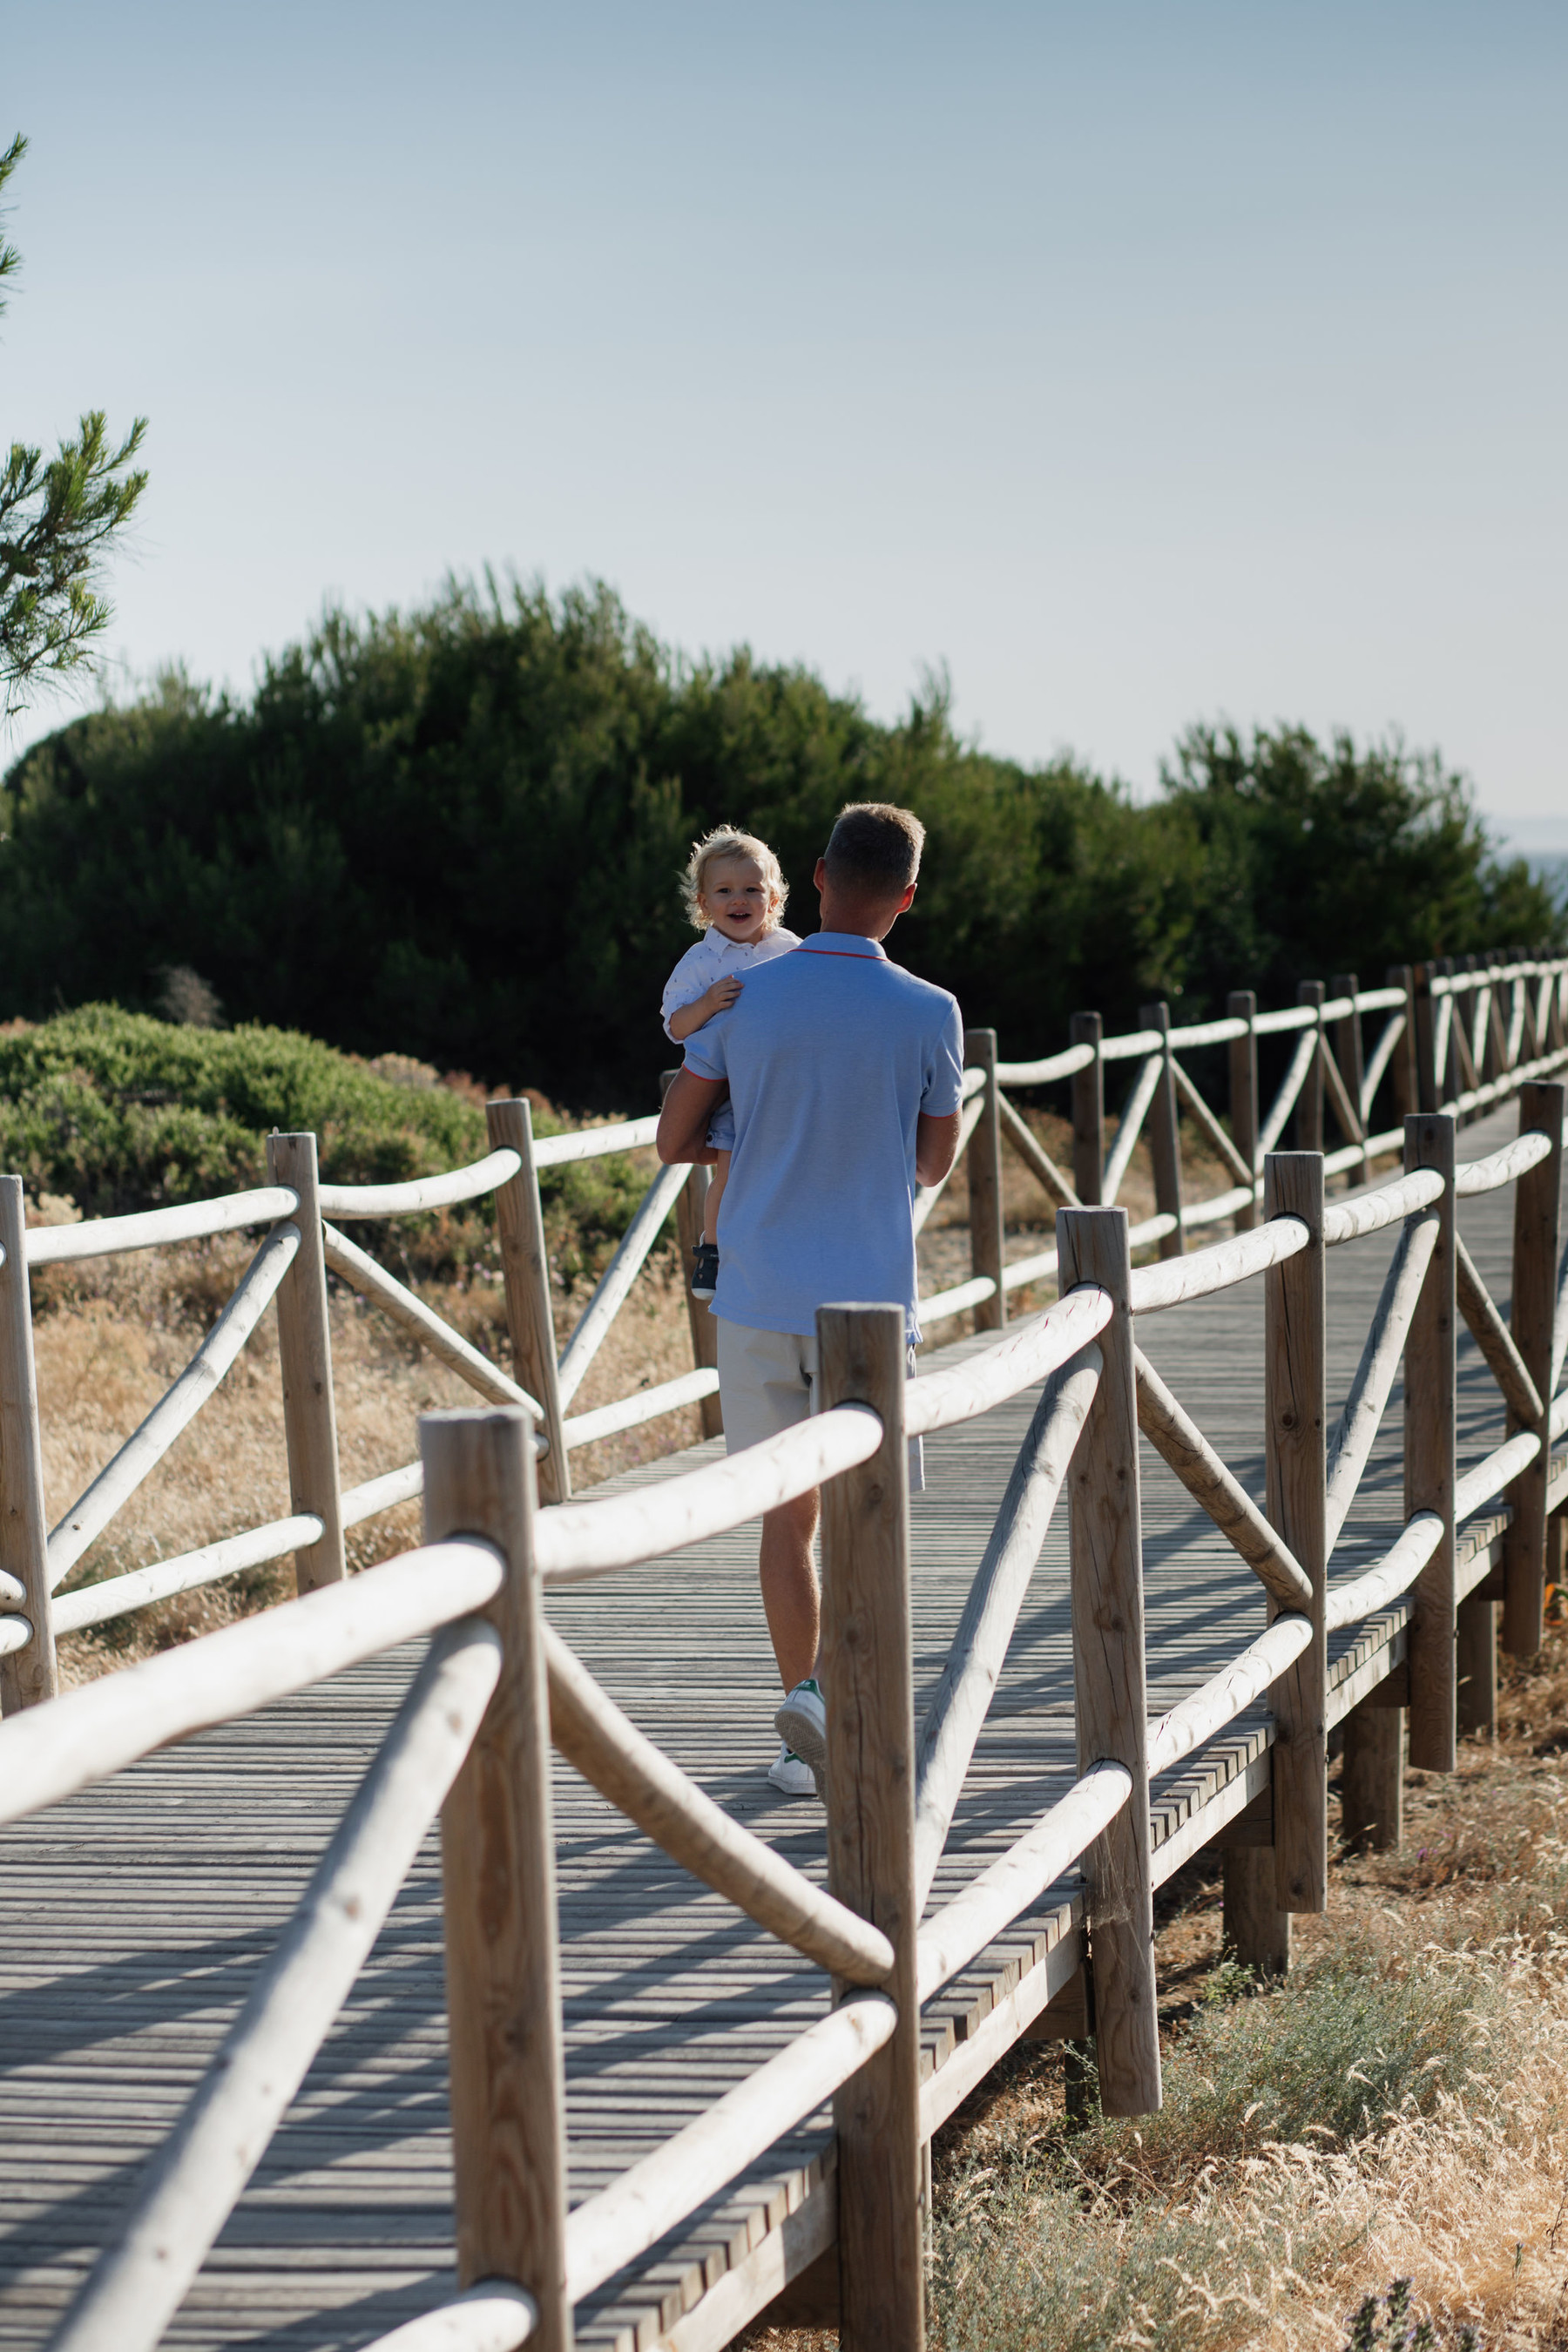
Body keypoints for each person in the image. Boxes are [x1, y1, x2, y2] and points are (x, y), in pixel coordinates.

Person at [656, 801, 963, 1797]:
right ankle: (841, 1708)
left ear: (819, 877)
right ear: (907, 898)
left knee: (784, 1524)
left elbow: (675, 1140)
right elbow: (930, 1162)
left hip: (753, 1294)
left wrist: (764, 1143)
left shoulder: (746, 996)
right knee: (867, 1518)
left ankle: (806, 1726)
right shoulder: (931, 1011)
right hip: (870, 1305)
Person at [661, 828, 801, 1301]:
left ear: (774, 897)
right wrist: (707, 1003)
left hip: (787, 1082)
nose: (738, 900)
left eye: (752, 889)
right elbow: (676, 1026)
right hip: (730, 1088)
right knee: (731, 1168)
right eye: (724, 891)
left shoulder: (792, 950)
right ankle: (715, 1251)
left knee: (791, 1166)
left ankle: (782, 1241)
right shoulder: (701, 962)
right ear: (704, 903)